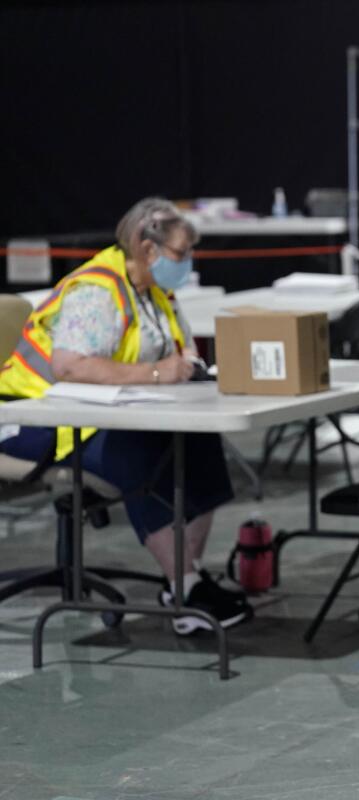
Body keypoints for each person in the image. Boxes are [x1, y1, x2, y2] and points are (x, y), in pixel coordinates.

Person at [0, 197, 251, 633]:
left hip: (108, 413)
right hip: (36, 421)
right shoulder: (97, 291)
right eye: (180, 253)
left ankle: (187, 580)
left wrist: (188, 368)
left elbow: (181, 351)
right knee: (138, 453)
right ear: (146, 248)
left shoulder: (155, 292)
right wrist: (155, 373)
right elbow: (69, 366)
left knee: (202, 440)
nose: (187, 263)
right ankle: (184, 587)